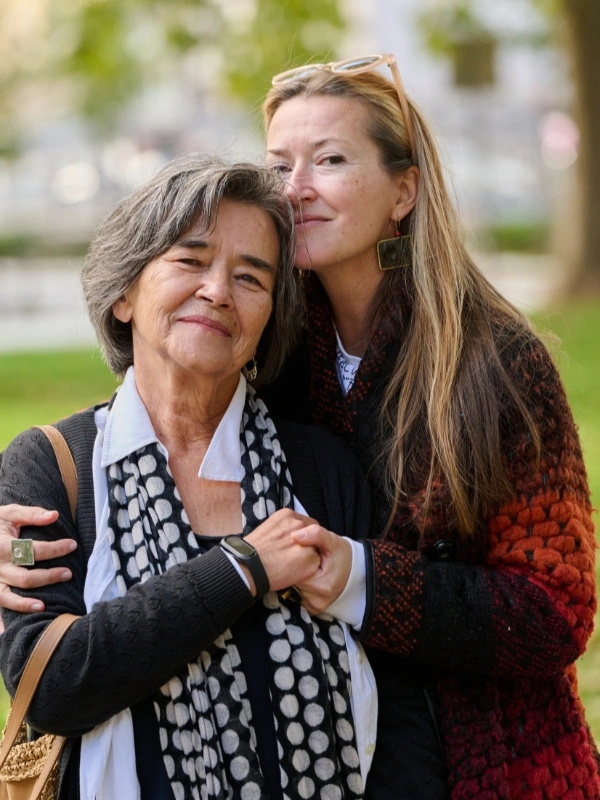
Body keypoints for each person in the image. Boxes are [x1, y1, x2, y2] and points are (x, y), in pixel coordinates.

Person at [0, 54, 598, 800]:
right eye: (280, 161)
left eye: (332, 160)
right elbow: (161, 399)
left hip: (491, 758)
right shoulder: (283, 346)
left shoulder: (494, 366)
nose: (296, 188)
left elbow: (554, 612)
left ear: (403, 191)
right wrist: (22, 505)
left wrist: (360, 577)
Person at [0, 156, 378, 800]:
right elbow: (53, 684)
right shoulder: (51, 467)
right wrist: (243, 569)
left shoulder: (320, 468)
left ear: (268, 321)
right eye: (189, 259)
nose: (218, 291)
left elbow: (397, 700)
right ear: (124, 293)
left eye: (251, 277)